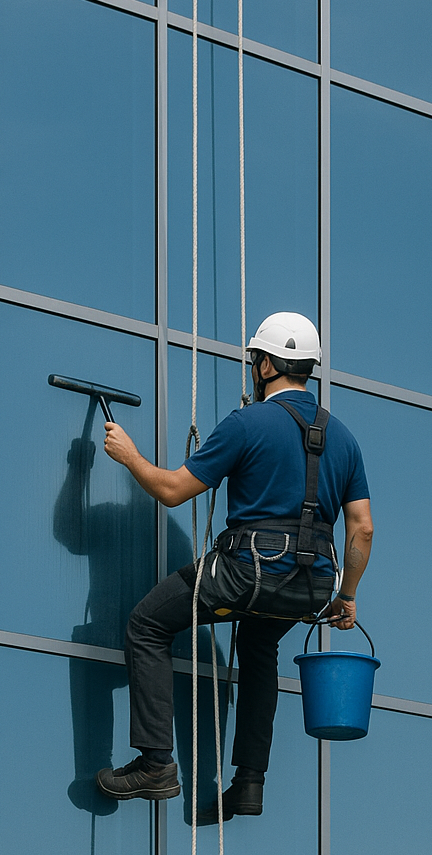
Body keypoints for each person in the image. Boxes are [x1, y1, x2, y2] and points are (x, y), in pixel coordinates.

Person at [95, 312, 373, 819]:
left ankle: (156, 762)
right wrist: (346, 596)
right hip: (312, 585)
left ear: (265, 365)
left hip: (249, 570)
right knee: (259, 645)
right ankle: (249, 782)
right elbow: (363, 529)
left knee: (148, 624)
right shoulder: (345, 439)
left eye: (253, 361)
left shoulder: (247, 423)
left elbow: (173, 491)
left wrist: (129, 456)